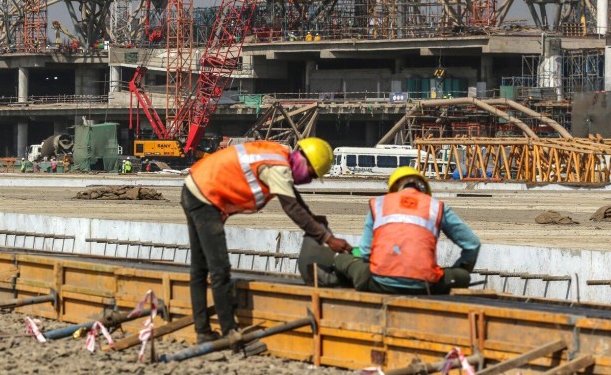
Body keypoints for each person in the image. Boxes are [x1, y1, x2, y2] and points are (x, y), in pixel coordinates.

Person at [181, 138, 351, 343]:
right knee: (219, 268)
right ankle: (229, 332)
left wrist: (314, 220)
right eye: (312, 175)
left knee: (200, 267)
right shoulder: (278, 168)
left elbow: (294, 198)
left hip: (195, 188)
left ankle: (203, 331)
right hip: (205, 196)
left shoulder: (279, 157)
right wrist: (327, 238)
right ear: (306, 161)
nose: (309, 180)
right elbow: (292, 207)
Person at [332, 166, 480, 295]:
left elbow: (365, 251)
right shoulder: (436, 207)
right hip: (425, 285)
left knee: (341, 260)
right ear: (424, 189)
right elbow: (473, 245)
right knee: (462, 276)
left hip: (380, 284)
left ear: (393, 189)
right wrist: (460, 268)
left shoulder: (379, 204)